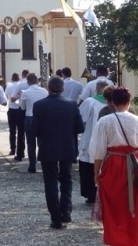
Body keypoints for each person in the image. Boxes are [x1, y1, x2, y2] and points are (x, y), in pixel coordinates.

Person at [90, 87, 138, 246]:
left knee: (113, 207)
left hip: (113, 165)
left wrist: (96, 172)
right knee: (135, 209)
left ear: (112, 102)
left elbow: (99, 150)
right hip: (135, 165)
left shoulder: (105, 121)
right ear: (129, 101)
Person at [32, 77, 85, 229]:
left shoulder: (39, 105)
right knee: (66, 179)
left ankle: (55, 218)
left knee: (50, 183)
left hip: (47, 147)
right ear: (63, 89)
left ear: (48, 88)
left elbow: (34, 130)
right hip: (67, 147)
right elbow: (80, 128)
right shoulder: (72, 104)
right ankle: (66, 209)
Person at [78, 81, 108, 205]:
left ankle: (91, 195)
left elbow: (81, 117)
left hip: (91, 137)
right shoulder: (115, 104)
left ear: (97, 88)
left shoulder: (90, 102)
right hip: (108, 141)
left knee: (89, 164)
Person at [17, 73, 48, 173]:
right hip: (42, 118)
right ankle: (44, 164)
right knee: (42, 142)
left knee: (31, 143)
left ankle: (32, 165)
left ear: (28, 82)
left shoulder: (25, 92)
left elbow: (22, 107)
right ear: (37, 81)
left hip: (30, 117)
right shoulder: (44, 91)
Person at [4, 73, 25, 160]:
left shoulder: (9, 86)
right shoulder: (22, 85)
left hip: (12, 109)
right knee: (21, 131)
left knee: (12, 130)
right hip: (20, 109)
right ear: (19, 78)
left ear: (12, 79)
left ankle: (12, 149)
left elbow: (6, 96)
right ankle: (21, 150)